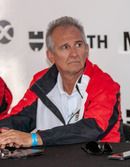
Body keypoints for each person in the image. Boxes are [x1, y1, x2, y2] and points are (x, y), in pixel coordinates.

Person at [0, 16, 121, 148]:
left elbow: (93, 128)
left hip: (100, 159)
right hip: (54, 159)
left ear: (86, 49)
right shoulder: (42, 81)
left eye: (78, 45)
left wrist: (35, 138)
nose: (74, 53)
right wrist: (6, 134)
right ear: (50, 55)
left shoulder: (104, 84)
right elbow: (21, 118)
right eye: (65, 47)